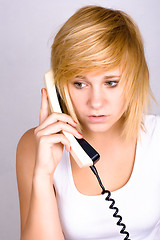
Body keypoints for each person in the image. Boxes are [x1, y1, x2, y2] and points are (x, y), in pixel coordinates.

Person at [16, 5, 160, 240]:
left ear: (134, 81)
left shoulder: (156, 139)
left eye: (111, 82)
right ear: (58, 86)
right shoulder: (35, 147)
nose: (96, 102)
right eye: (80, 84)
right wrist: (43, 175)